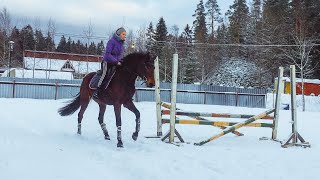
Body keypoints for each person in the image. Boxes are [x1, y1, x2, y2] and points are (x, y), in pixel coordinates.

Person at [93, 27, 126, 99]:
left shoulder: (121, 45)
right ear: (119, 34)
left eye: (125, 34)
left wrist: (122, 61)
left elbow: (120, 56)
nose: (124, 36)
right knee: (104, 74)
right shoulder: (111, 42)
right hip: (107, 62)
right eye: (123, 34)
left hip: (116, 63)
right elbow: (107, 55)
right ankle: (97, 91)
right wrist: (116, 61)